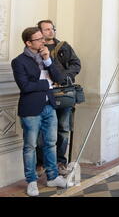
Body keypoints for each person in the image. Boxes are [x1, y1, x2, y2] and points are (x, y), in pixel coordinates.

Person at [11, 27, 68, 196]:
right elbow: (25, 86)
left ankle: (52, 177)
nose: (43, 41)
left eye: (43, 38)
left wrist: (48, 60)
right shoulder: (19, 61)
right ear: (28, 43)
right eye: (39, 39)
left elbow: (59, 79)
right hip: (30, 109)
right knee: (30, 146)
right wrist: (47, 84)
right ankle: (31, 181)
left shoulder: (46, 56)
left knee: (51, 143)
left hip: (49, 106)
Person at [36, 20, 81, 176]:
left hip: (63, 93)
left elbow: (76, 64)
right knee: (42, 130)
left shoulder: (63, 46)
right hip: (43, 94)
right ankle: (41, 163)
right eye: (47, 29)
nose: (51, 31)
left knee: (63, 128)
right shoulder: (35, 49)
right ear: (39, 32)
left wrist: (62, 78)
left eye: (52, 29)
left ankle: (61, 162)